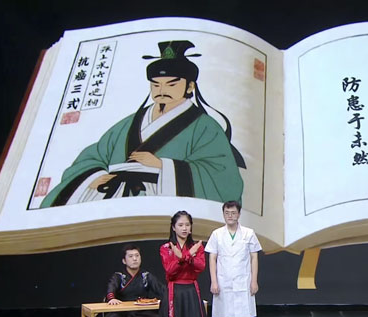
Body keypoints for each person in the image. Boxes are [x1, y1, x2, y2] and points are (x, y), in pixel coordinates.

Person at [40, 40, 245, 207]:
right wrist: (95, 176)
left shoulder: (205, 127)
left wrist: (163, 165)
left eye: (171, 84)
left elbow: (221, 174)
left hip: (163, 205)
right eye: (156, 85)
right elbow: (95, 155)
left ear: (190, 86)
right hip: (113, 199)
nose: (162, 90)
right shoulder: (129, 123)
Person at [206, 200, 264, 317]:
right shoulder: (217, 234)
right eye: (227, 213)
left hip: (243, 282)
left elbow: (254, 257)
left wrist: (254, 281)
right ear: (223, 214)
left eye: (233, 213)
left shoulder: (248, 233)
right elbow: (212, 258)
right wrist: (214, 281)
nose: (230, 216)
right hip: (223, 283)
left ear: (239, 214)